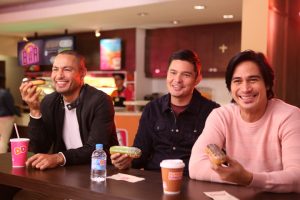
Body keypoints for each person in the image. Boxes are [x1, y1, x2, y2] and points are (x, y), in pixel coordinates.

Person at [189, 50, 300, 193]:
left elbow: (297, 178)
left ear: (267, 84)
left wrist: (249, 179)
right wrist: (239, 179)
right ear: (230, 88)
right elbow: (196, 165)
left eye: (253, 79)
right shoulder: (221, 116)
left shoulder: (289, 116)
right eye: (237, 81)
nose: (245, 88)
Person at [111, 49, 219, 175]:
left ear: (197, 79)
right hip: (153, 181)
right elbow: (140, 155)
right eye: (173, 72)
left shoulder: (213, 112)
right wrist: (126, 162)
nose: (177, 80)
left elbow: (216, 159)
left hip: (192, 182)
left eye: (186, 75)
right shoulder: (152, 109)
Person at [19, 50, 118, 170]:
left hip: (99, 172)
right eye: (55, 69)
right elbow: (39, 148)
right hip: (66, 171)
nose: (59, 75)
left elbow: (96, 148)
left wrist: (58, 158)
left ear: (82, 73)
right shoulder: (49, 102)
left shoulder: (100, 101)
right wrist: (34, 110)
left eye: (67, 69)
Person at [0, 80, 20, 153]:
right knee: (3, 141)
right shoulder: (4, 93)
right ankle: (2, 160)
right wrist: (19, 114)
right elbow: (11, 107)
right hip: (6, 119)